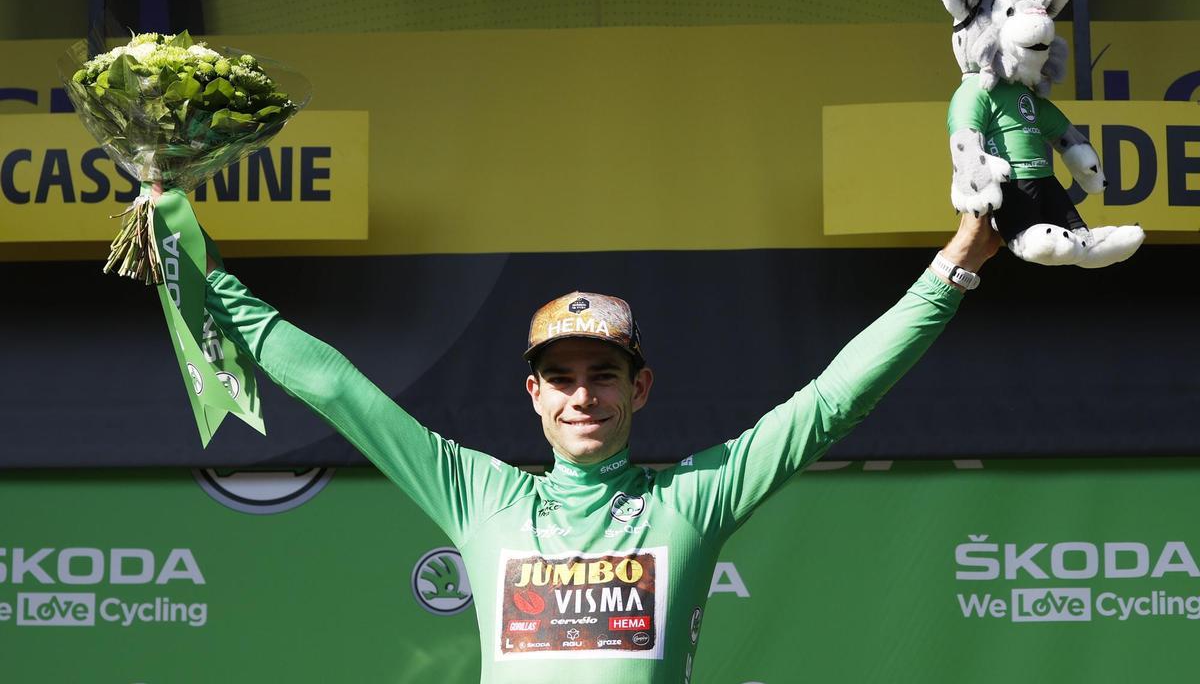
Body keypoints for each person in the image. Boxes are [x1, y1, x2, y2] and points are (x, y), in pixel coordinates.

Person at [203, 213, 999, 683]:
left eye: (603, 375)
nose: (583, 396)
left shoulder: (691, 499)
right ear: (535, 395)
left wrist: (952, 269)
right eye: (562, 377)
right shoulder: (479, 495)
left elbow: (832, 401)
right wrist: (200, 275)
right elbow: (339, 389)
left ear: (640, 388)